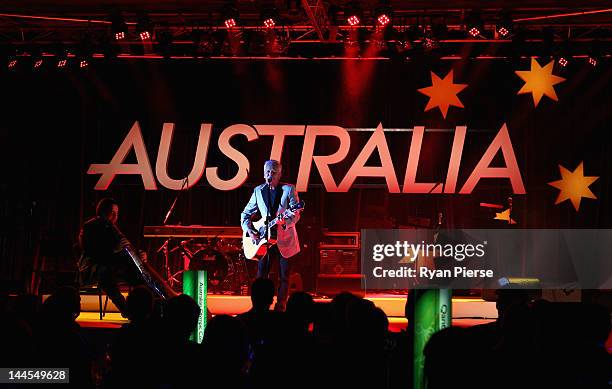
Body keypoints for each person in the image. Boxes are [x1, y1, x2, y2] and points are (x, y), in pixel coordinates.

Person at [240, 160, 301, 311]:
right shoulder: (258, 191)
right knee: (261, 276)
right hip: (263, 241)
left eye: (273, 172)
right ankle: (260, 307)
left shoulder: (288, 189)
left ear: (279, 174)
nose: (270, 175)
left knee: (284, 276)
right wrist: (250, 230)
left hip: (285, 240)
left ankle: (281, 307)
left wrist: (284, 221)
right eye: (267, 172)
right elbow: (245, 214)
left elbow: (296, 215)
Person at [77, 198, 139, 316]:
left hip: (110, 265)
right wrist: (115, 250)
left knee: (136, 271)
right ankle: (125, 309)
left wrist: (137, 253)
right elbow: (92, 252)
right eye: (112, 213)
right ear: (102, 212)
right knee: (105, 272)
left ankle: (141, 307)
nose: (115, 216)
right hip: (91, 267)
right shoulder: (89, 227)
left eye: (117, 213)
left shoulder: (112, 228)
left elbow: (123, 246)